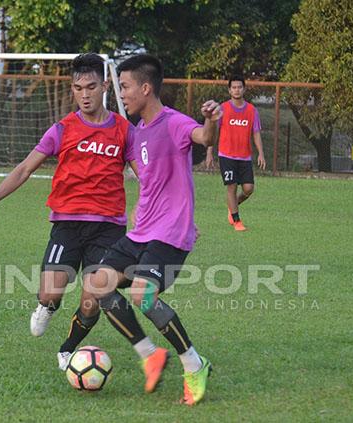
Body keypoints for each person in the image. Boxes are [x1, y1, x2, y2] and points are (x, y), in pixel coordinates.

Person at [0, 53, 138, 371]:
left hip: (108, 227)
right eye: (77, 88)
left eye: (90, 87)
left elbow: (147, 177)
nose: (84, 94)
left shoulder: (125, 131)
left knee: (93, 297)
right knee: (49, 293)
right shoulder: (62, 129)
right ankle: (46, 306)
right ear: (72, 89)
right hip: (67, 225)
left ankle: (68, 348)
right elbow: (24, 169)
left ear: (103, 88)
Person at [84, 54, 219, 406]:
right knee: (98, 284)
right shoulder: (138, 132)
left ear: (146, 88)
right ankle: (150, 355)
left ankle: (193, 363)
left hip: (169, 234)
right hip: (140, 231)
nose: (122, 94)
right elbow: (152, 182)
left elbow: (203, 136)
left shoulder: (174, 123)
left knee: (142, 295)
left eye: (126, 87)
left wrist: (210, 121)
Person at [205, 75, 265, 231]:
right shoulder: (222, 109)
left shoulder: (252, 110)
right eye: (234, 87)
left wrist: (261, 153)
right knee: (231, 187)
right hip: (226, 155)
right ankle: (237, 221)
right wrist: (209, 152)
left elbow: (256, 133)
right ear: (229, 90)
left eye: (239, 87)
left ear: (244, 89)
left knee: (248, 189)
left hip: (244, 156)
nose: (237, 90)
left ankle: (233, 206)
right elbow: (213, 132)